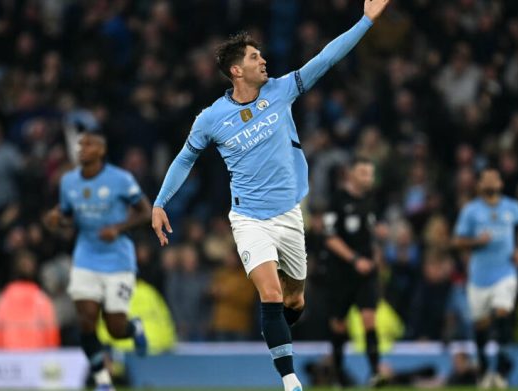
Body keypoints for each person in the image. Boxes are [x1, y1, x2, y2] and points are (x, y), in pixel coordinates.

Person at [151, 2, 391, 390]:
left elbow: (326, 57)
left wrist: (366, 21)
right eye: (254, 56)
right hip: (248, 219)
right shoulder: (211, 118)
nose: (263, 60)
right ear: (236, 70)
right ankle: (290, 380)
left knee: (294, 300)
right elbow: (184, 159)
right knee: (271, 292)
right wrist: (160, 202)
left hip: (289, 215)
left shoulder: (281, 91)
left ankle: (276, 329)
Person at [43, 132, 151, 391]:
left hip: (118, 260)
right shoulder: (68, 182)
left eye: (89, 144)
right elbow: (69, 217)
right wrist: (56, 221)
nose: (82, 148)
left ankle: (133, 328)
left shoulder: (120, 179)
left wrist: (119, 227)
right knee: (86, 318)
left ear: (101, 150)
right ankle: (103, 381)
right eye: (80, 144)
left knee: (114, 328)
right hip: (85, 258)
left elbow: (146, 212)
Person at [452, 168, 518, 389]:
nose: (491, 181)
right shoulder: (471, 211)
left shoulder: (512, 207)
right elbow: (457, 241)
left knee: (502, 312)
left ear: (501, 183)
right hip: (478, 277)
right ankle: (486, 370)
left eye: (494, 177)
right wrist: (477, 242)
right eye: (486, 178)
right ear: (479, 184)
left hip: (505, 272)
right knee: (481, 326)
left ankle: (503, 369)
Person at [322, 157, 386, 387]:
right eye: (362, 173)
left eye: (370, 173)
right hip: (341, 273)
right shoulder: (337, 200)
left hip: (366, 273)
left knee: (369, 318)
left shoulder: (371, 200)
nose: (367, 178)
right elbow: (329, 238)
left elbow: (370, 234)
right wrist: (355, 259)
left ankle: (376, 372)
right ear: (351, 174)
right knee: (339, 324)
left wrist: (376, 253)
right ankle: (338, 374)